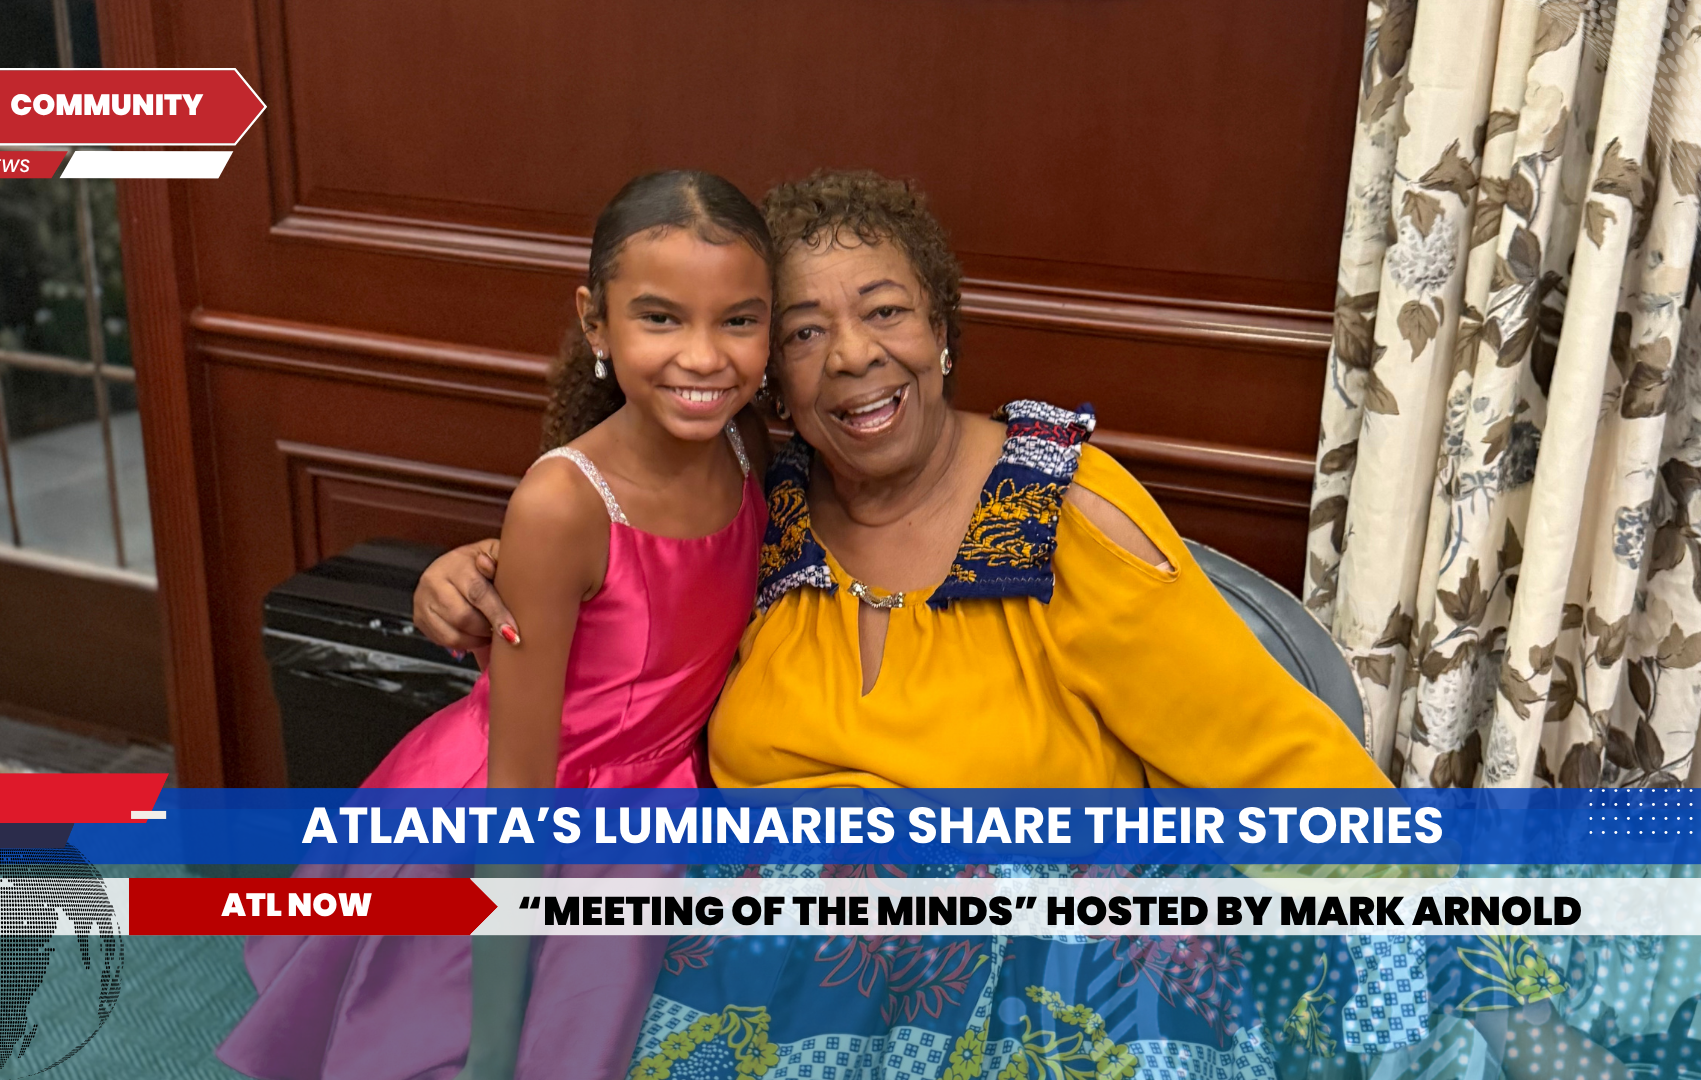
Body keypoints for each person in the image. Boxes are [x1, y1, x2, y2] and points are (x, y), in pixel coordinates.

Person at [415, 170, 1390, 1077]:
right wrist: (476, 573)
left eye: (885, 311)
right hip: (750, 990)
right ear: (770, 377)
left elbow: (1282, 768)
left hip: (1035, 1003)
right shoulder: (761, 505)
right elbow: (630, 595)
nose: (853, 355)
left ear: (941, 331)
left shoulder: (1060, 516)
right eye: (804, 332)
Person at [217, 170, 775, 1080]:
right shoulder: (563, 504)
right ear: (596, 323)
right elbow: (517, 796)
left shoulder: (748, 447)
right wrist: (491, 1048)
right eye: (661, 318)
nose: (705, 357)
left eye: (739, 321)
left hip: (669, 806)